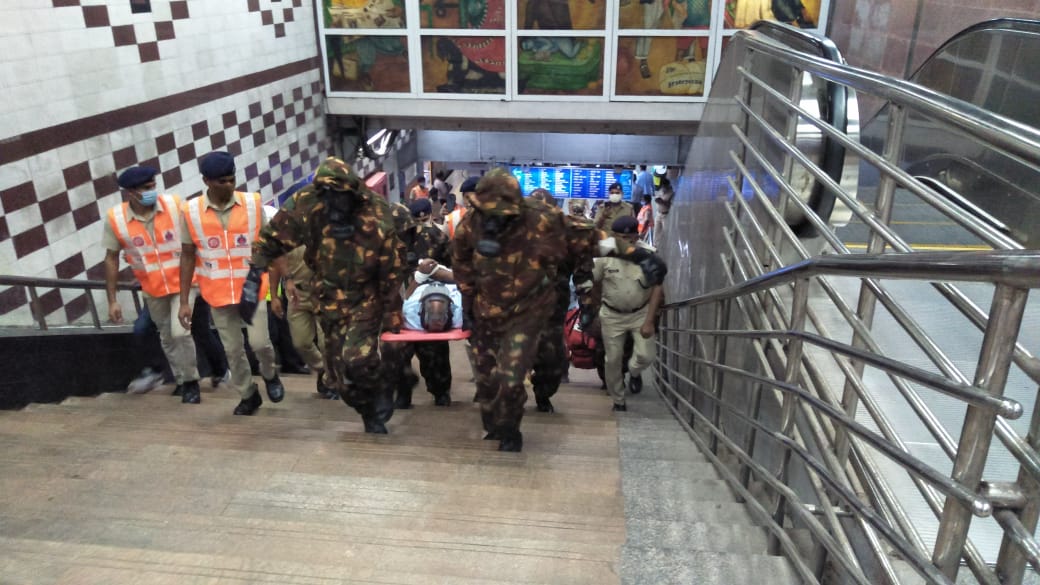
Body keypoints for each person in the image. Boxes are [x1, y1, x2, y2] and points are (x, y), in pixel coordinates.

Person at [453, 169, 667, 452]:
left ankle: (510, 431)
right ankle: (495, 423)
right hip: (486, 313)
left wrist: (636, 254)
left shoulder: (543, 219)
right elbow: (462, 266)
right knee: (487, 381)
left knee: (512, 376)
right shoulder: (470, 226)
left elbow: (592, 239)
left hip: (528, 313)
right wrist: (468, 304)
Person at [250, 157, 406, 434]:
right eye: (329, 195)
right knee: (339, 379)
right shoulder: (307, 203)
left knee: (357, 358)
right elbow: (272, 238)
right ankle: (366, 410)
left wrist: (393, 312)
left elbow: (392, 269)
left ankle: (383, 386)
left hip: (365, 296)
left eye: (342, 196)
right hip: (327, 296)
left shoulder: (376, 212)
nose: (336, 202)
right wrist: (254, 276)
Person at [177, 151, 285, 416]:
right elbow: (188, 255)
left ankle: (270, 374)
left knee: (260, 343)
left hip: (251, 288)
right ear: (206, 181)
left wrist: (279, 285)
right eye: (221, 181)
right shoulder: (190, 211)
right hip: (217, 292)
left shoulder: (252, 203)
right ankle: (248, 394)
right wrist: (183, 301)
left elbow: (269, 246)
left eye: (231, 179)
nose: (229, 185)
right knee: (233, 350)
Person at [103, 166, 203, 403]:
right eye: (146, 189)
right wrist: (113, 300)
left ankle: (191, 382)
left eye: (152, 186)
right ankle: (180, 380)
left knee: (180, 334)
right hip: (153, 288)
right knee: (167, 337)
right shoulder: (116, 219)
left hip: (184, 284)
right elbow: (111, 258)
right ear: (131, 193)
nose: (152, 192)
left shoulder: (174, 204)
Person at [384, 200, 454, 409]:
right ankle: (403, 392)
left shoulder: (433, 237)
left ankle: (440, 391)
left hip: (427, 306)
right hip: (395, 307)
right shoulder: (380, 244)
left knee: (434, 355)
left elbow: (451, 267)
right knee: (395, 355)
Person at [594, 216, 665, 411]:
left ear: (637, 236)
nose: (626, 242)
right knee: (613, 359)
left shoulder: (649, 255)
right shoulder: (603, 253)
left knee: (646, 356)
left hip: (640, 313)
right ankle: (618, 399)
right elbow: (593, 281)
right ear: (614, 237)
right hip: (612, 314)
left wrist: (650, 321)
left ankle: (634, 372)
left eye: (630, 238)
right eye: (621, 238)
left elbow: (657, 288)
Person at [269, 245, 337, 399]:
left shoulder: (322, 226)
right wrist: (274, 296)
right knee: (301, 342)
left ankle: (330, 380)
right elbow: (274, 266)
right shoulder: (286, 233)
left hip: (324, 293)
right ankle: (322, 369)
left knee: (326, 342)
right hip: (297, 296)